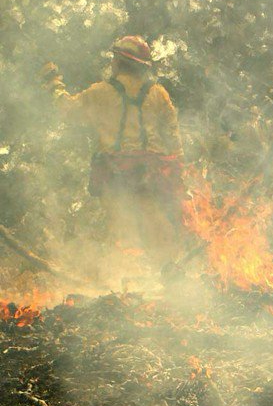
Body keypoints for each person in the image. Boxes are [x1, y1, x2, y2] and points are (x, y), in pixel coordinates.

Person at [42, 35, 185, 276]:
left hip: (114, 175)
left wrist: (53, 83)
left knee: (122, 230)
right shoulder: (159, 93)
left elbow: (67, 110)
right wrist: (180, 175)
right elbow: (174, 139)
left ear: (118, 62)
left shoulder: (100, 92)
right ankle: (169, 276)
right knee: (158, 228)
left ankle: (129, 281)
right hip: (151, 176)